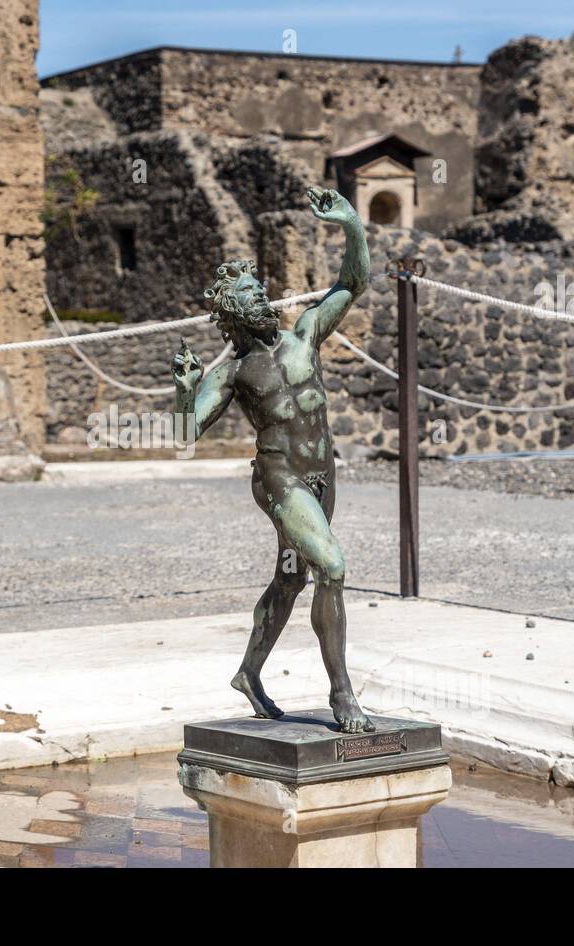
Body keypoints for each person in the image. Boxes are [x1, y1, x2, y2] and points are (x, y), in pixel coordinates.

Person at [172, 186, 373, 733]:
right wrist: (185, 392)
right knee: (331, 566)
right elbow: (185, 432)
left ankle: (248, 673)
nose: (263, 297)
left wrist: (351, 225)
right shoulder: (232, 372)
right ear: (234, 311)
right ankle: (342, 693)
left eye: (261, 289)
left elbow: (352, 284)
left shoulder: (305, 335)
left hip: (321, 475)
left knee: (290, 578)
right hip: (279, 478)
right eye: (252, 293)